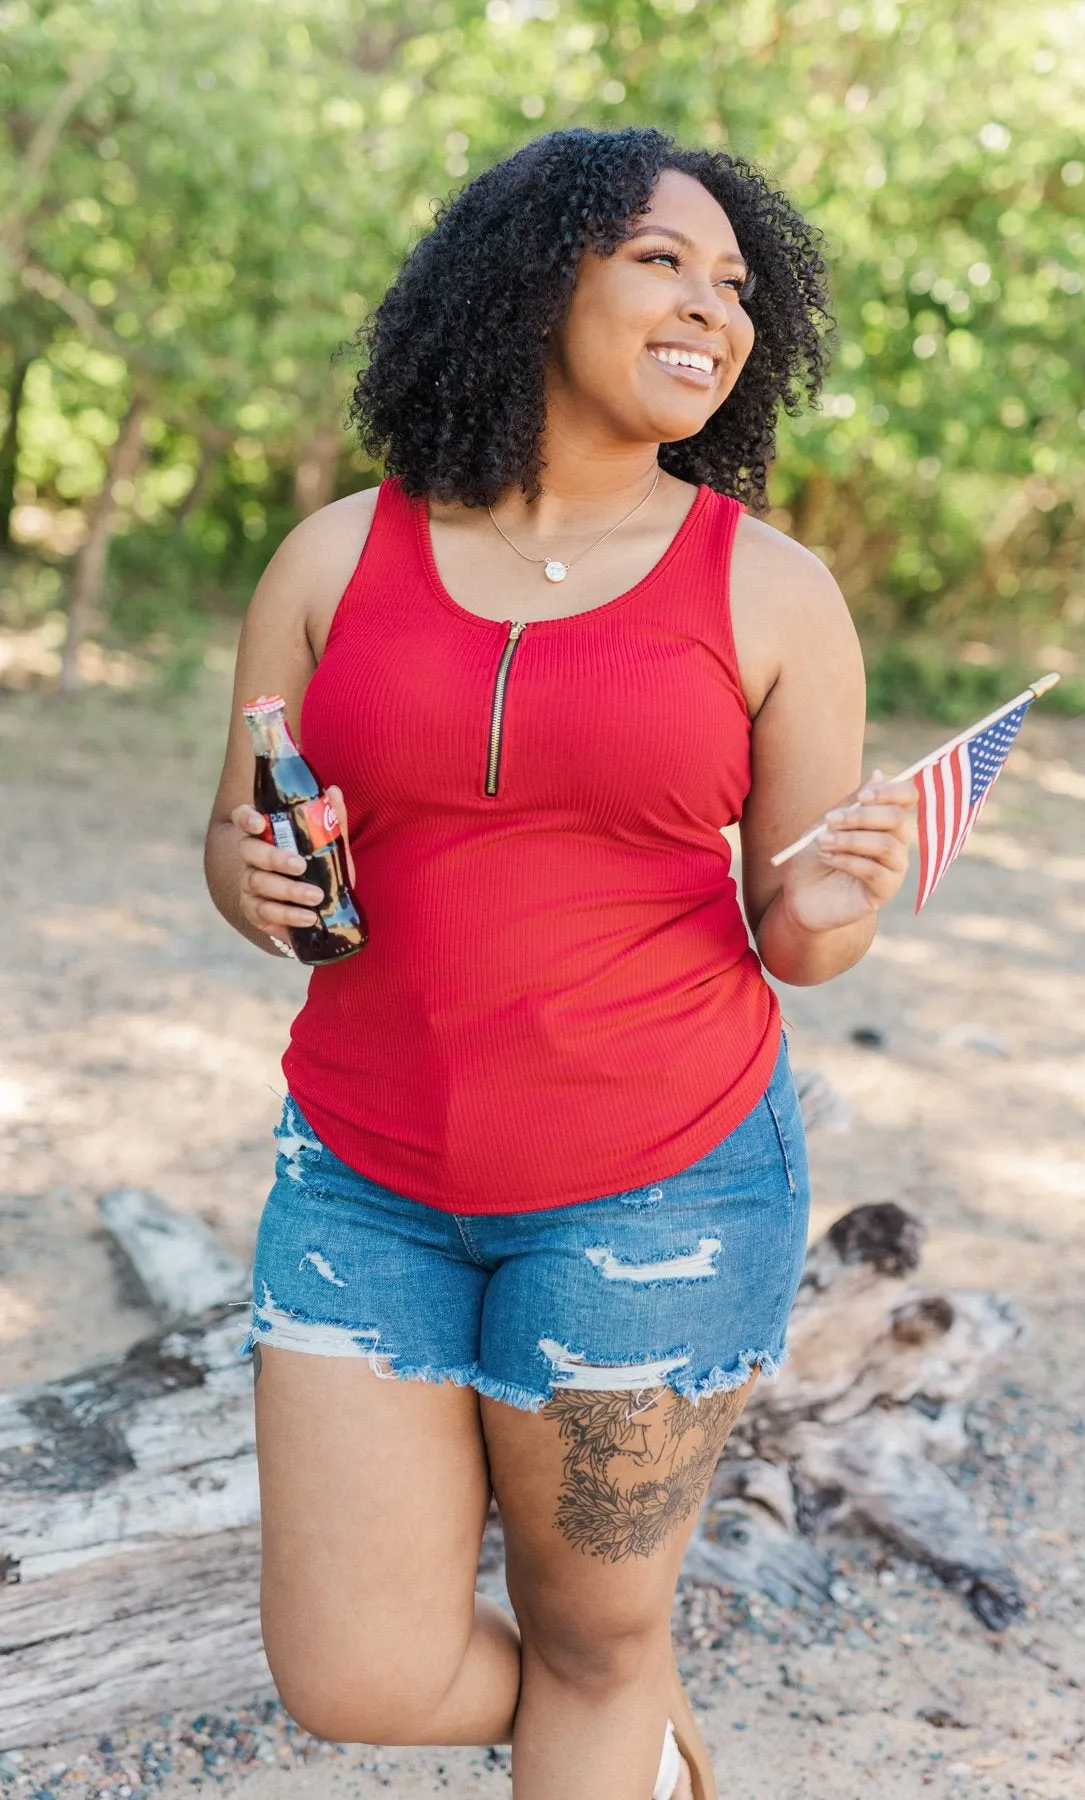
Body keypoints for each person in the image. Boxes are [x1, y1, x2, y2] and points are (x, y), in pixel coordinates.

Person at [204, 126, 916, 1800]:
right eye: (663, 260)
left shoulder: (775, 591)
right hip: (362, 1184)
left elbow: (802, 937)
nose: (711, 307)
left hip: (659, 1194)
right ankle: (631, 1732)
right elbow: (251, 858)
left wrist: (841, 892)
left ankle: (615, 1719)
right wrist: (246, 877)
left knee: (593, 1638)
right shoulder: (328, 558)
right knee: (354, 1674)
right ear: (536, 279)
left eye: (737, 284)